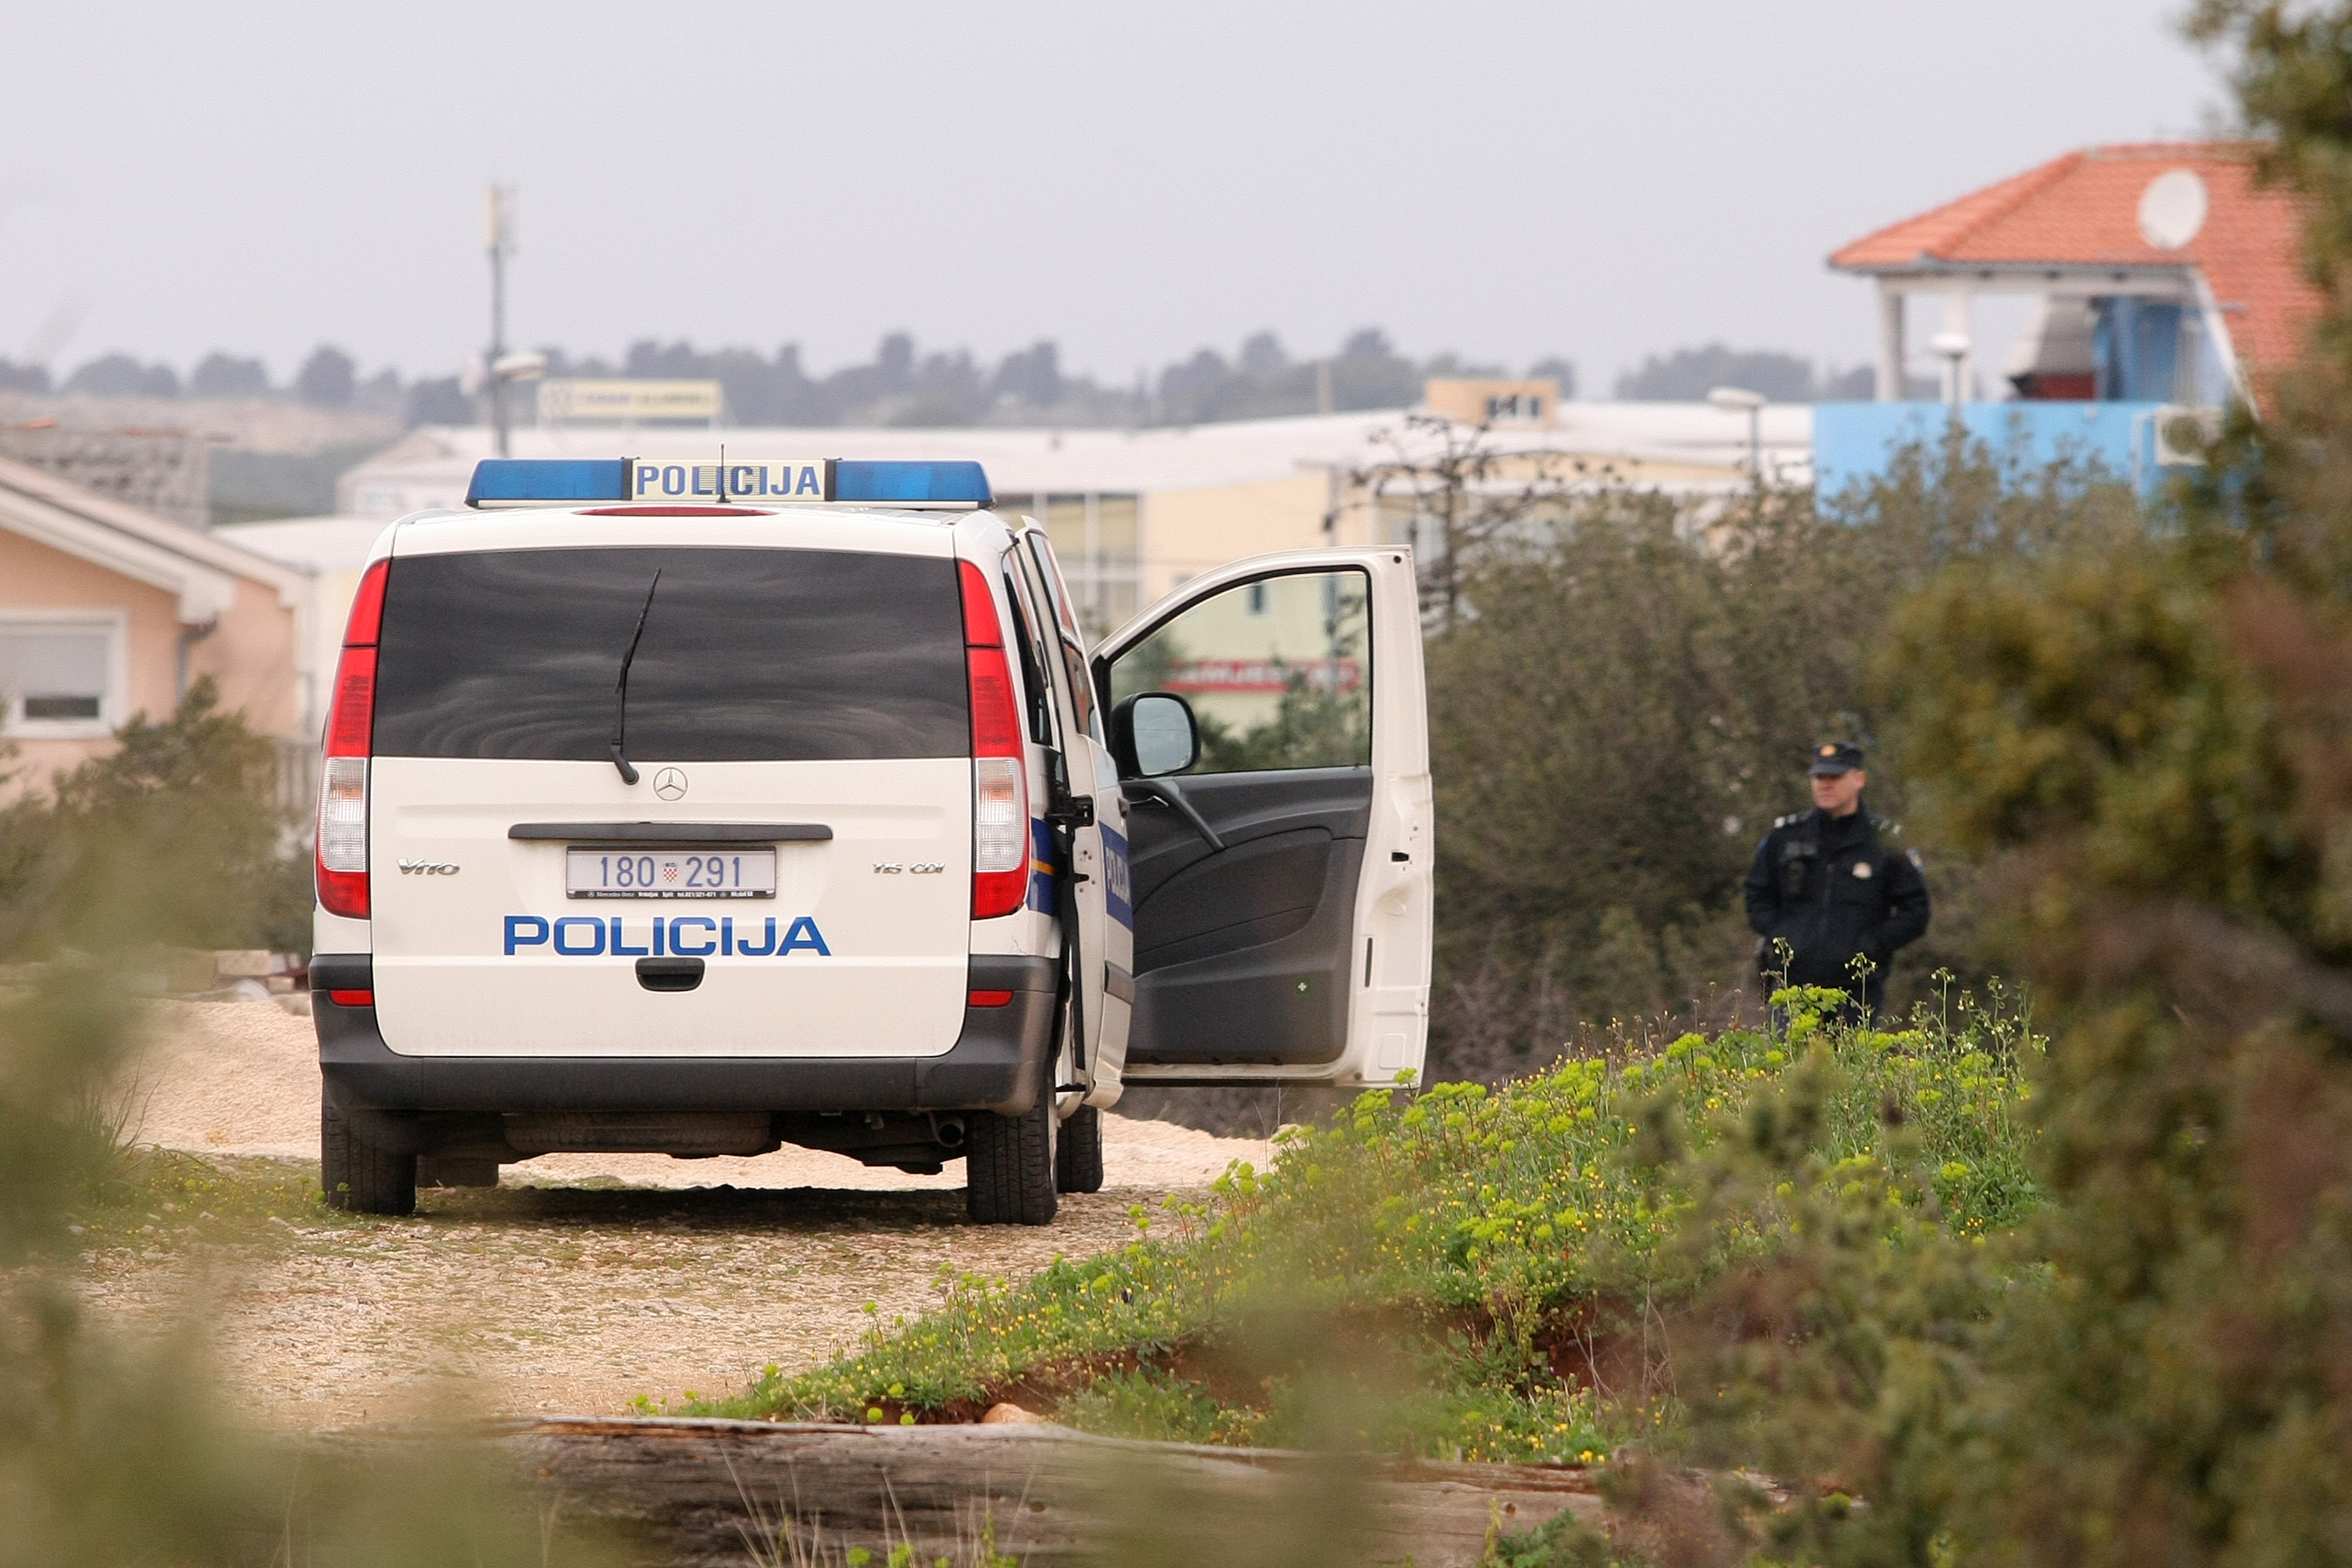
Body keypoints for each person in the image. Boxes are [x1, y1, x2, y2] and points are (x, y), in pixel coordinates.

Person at [1743, 741, 1930, 1019]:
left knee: (1849, 1063)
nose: (1825, 784)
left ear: (1859, 779)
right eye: (1819, 777)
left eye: (1835, 776)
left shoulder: (1885, 842)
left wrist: (1869, 947)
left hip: (1856, 992)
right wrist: (1784, 937)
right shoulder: (1786, 838)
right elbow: (1757, 895)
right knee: (1789, 1062)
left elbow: (1916, 911)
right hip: (1792, 986)